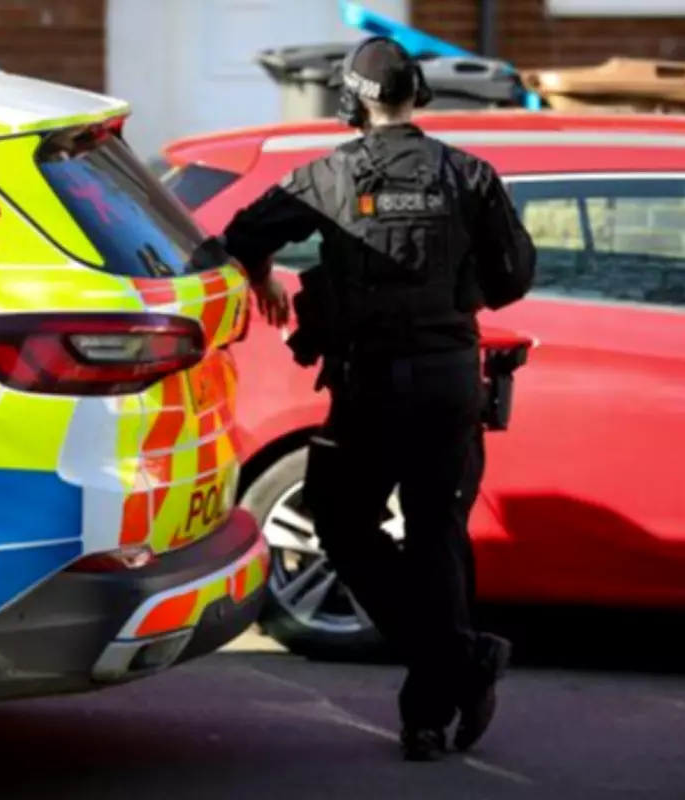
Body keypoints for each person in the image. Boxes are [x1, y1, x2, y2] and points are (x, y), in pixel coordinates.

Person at [215, 36, 536, 761]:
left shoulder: (328, 174)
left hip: (368, 392)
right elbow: (513, 277)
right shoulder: (471, 174)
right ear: (417, 94)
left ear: (350, 103)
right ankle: (438, 696)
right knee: (436, 538)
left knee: (339, 518)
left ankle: (448, 673)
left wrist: (264, 273)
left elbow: (241, 233)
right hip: (453, 386)